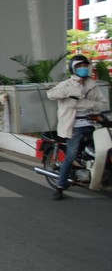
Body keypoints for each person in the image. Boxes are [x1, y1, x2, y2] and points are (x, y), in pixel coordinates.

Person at [46, 54, 108, 200]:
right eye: (79, 66)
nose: (83, 69)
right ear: (73, 68)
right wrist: (70, 92)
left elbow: (103, 104)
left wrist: (88, 104)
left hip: (93, 124)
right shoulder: (67, 84)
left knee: (101, 150)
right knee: (71, 155)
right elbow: (51, 94)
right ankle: (60, 187)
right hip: (74, 126)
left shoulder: (92, 85)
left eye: (85, 66)